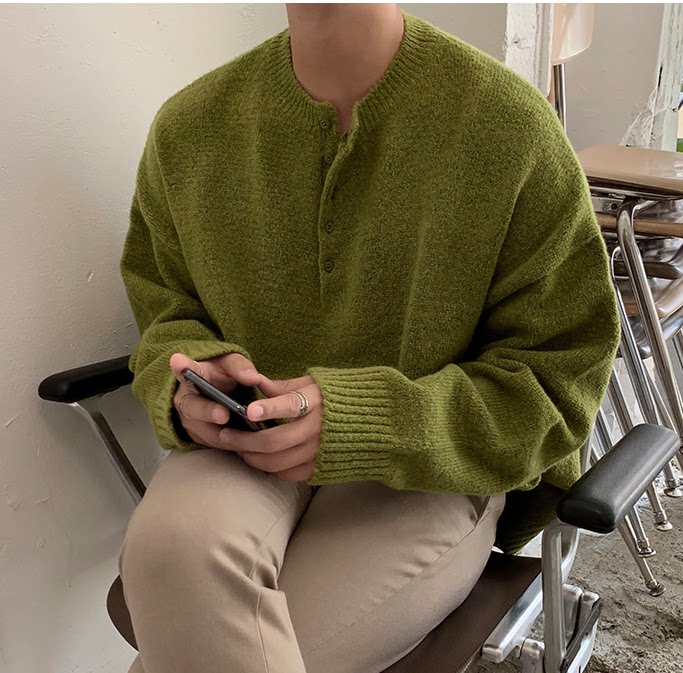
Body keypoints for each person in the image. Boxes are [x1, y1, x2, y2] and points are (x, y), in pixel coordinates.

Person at [117, 4, 620, 673]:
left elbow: (556, 380)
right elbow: (165, 312)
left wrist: (367, 418)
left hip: (434, 469)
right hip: (244, 450)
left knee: (243, 645)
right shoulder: (190, 130)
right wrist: (191, 380)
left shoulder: (509, 130)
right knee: (168, 554)